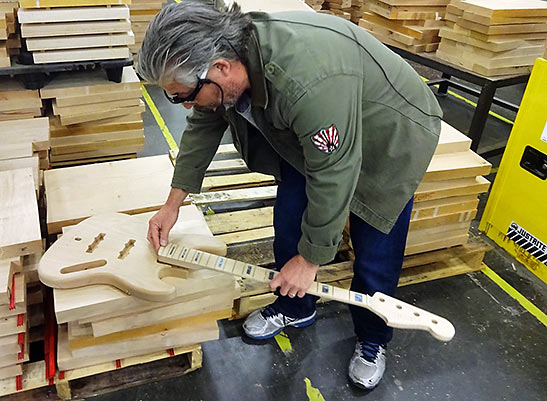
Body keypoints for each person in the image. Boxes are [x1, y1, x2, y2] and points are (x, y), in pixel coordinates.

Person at [138, 0, 442, 390]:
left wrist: (312, 260)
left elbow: (335, 171)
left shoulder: (306, 82)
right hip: (326, 125)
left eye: (183, 95)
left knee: (375, 248)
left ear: (220, 69)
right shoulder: (225, 61)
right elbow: (203, 125)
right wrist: (172, 204)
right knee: (290, 217)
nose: (184, 104)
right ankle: (295, 305)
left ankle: (372, 338)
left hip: (388, 131)